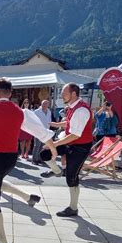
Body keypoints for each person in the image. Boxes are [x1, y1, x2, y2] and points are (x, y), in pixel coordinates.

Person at [0, 78, 57, 243]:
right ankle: (28, 197)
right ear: (10, 94)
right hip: (11, 158)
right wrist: (52, 147)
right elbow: (40, 131)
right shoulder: (21, 112)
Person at [40, 83, 94, 218]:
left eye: (64, 93)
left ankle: (73, 208)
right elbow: (70, 123)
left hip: (80, 146)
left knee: (71, 177)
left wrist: (55, 144)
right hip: (71, 141)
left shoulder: (81, 110)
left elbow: (76, 134)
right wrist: (56, 124)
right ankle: (57, 171)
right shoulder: (72, 107)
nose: (61, 95)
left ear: (73, 94)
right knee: (45, 153)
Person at [32, 99, 52, 164]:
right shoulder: (36, 111)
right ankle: (34, 160)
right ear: (41, 104)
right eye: (44, 104)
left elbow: (49, 121)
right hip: (38, 131)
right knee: (37, 146)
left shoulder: (49, 111)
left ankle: (40, 159)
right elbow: (33, 121)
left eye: (46, 104)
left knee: (42, 146)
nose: (45, 105)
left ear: (48, 105)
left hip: (46, 131)